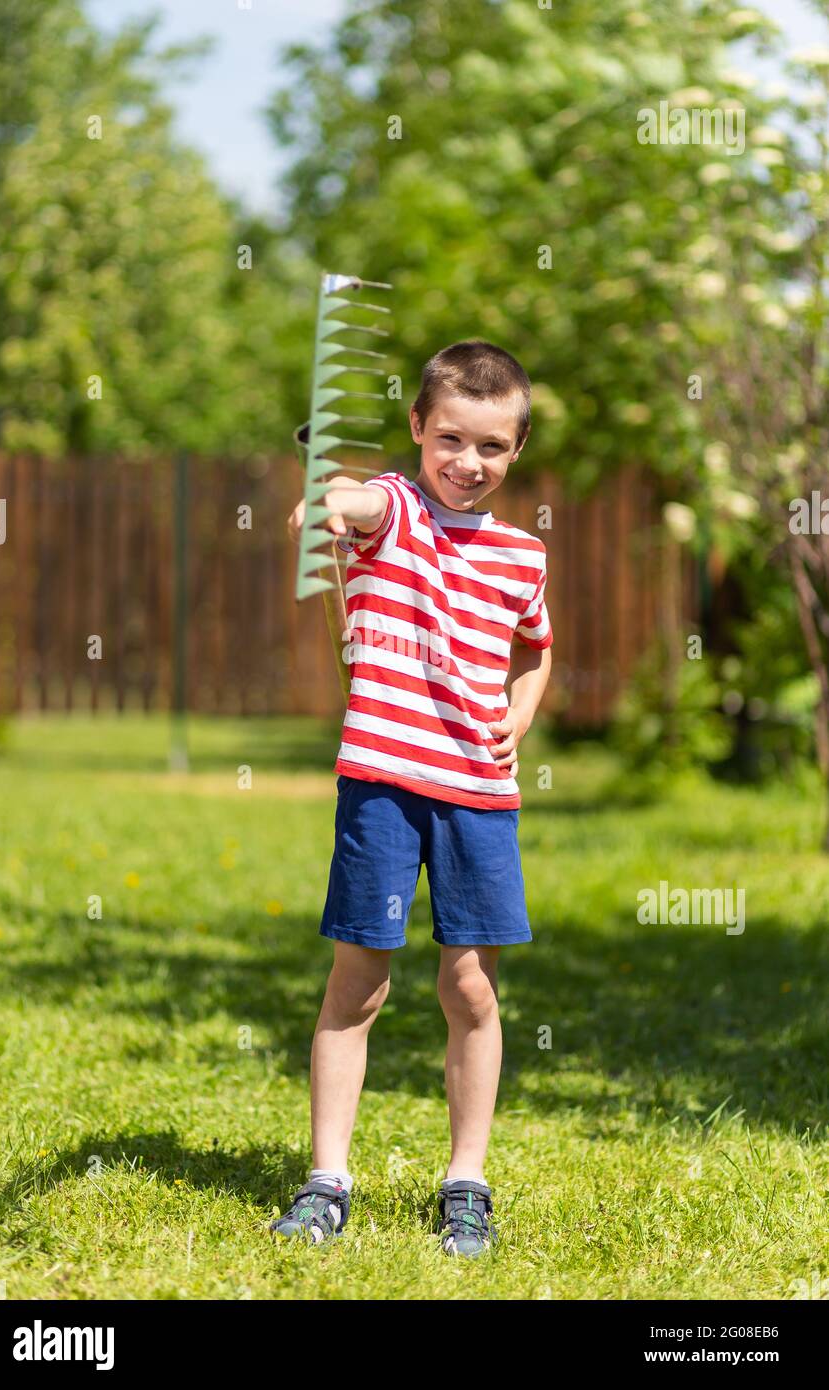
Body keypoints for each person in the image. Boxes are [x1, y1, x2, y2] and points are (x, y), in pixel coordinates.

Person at [276, 340, 553, 1256]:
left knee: (470, 985)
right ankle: (327, 1181)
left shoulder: (521, 555)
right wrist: (330, 500)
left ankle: (465, 1180)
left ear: (517, 451)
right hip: (384, 787)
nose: (467, 464)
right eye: (449, 441)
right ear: (416, 432)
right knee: (361, 979)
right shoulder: (392, 510)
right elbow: (352, 502)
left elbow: (537, 648)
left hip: (479, 795)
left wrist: (519, 715)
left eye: (492, 448)